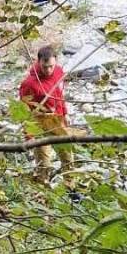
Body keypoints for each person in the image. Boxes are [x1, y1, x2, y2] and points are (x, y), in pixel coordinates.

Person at [18, 44, 77, 183]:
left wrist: (65, 113)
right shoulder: (30, 84)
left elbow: (60, 95)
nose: (49, 70)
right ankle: (42, 189)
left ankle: (71, 188)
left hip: (57, 121)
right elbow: (25, 111)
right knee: (44, 163)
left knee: (67, 155)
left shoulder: (58, 72)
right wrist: (29, 135)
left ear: (55, 61)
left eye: (51, 66)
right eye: (45, 67)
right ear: (39, 62)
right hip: (40, 123)